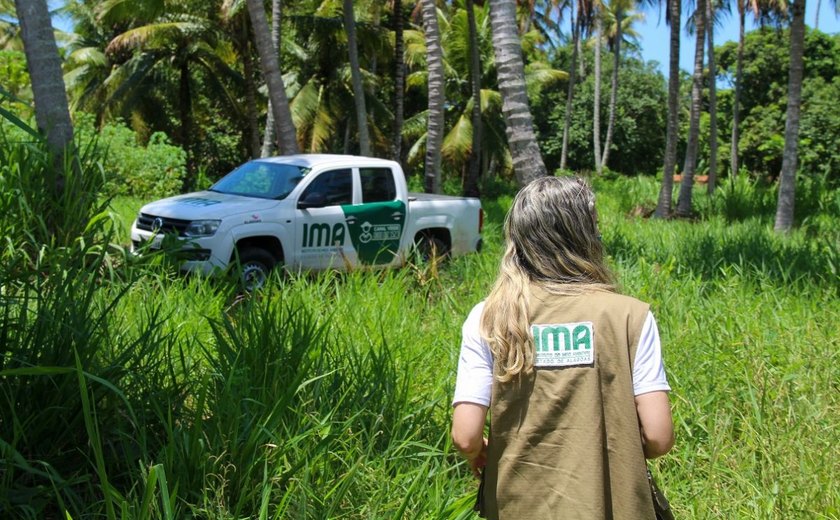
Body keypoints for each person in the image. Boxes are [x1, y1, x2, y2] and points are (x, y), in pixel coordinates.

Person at [451, 176, 674, 519]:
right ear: (585, 237)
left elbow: (465, 435)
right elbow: (659, 437)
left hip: (517, 505)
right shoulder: (631, 316)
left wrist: (480, 452)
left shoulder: (488, 317)